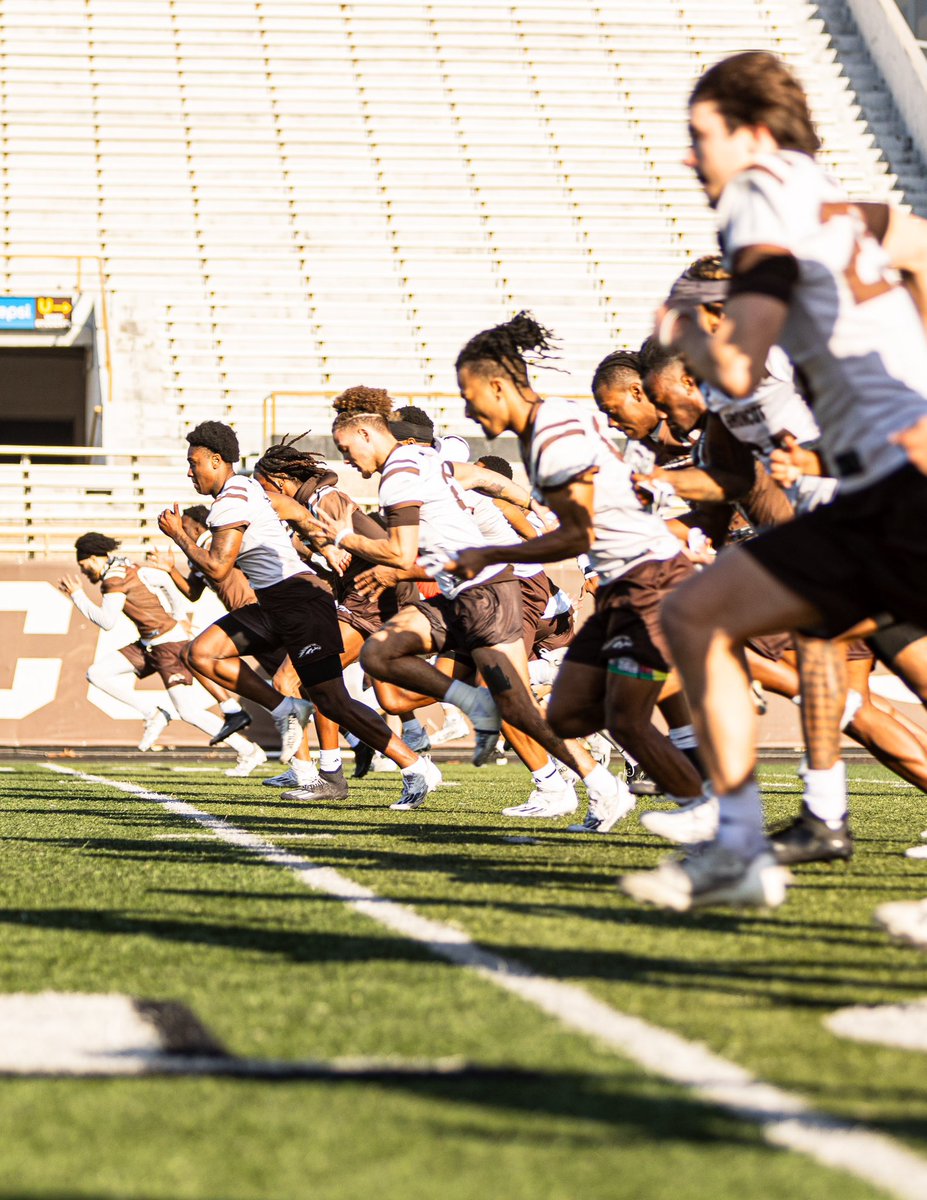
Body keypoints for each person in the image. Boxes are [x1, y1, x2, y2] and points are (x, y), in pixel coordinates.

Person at [619, 50, 927, 912]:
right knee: (700, 613)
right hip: (879, 489)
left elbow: (744, 357)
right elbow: (921, 248)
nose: (689, 156)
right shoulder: (838, 202)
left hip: (895, 484)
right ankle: (750, 842)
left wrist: (685, 328)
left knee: (697, 616)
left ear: (751, 134)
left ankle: (745, 845)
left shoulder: (755, 193)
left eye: (698, 134)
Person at [312, 386, 625, 827]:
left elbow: (401, 555)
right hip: (458, 593)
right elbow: (484, 478)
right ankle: (476, 706)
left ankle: (602, 785)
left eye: (346, 448)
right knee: (380, 653)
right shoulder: (422, 459)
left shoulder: (398, 475)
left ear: (365, 433)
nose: (347, 460)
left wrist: (344, 538)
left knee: (516, 705)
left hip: (485, 594)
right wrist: (530, 501)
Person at [447, 312, 706, 818]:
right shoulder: (548, 425)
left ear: (497, 386)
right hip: (627, 578)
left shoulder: (551, 435)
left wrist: (492, 553)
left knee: (625, 716)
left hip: (646, 574)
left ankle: (709, 807)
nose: (466, 407)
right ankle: (706, 780)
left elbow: (578, 533)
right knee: (568, 712)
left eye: (468, 394)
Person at [157, 420, 440, 808]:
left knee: (334, 701)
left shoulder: (231, 500)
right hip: (278, 604)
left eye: (194, 463)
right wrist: (324, 546)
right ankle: (295, 730)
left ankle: (412, 767)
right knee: (201, 654)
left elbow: (219, 568)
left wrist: (180, 536)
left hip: (300, 603)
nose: (189, 472)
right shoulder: (245, 488)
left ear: (217, 461)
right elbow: (293, 510)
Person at [58, 531, 266, 773]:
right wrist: (179, 616)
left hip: (168, 646)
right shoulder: (126, 566)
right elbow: (163, 580)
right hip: (149, 643)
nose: (84, 572)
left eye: (84, 566)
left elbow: (107, 621)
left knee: (188, 711)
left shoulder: (113, 580)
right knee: (98, 673)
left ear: (94, 558)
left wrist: (77, 596)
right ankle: (153, 712)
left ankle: (248, 751)